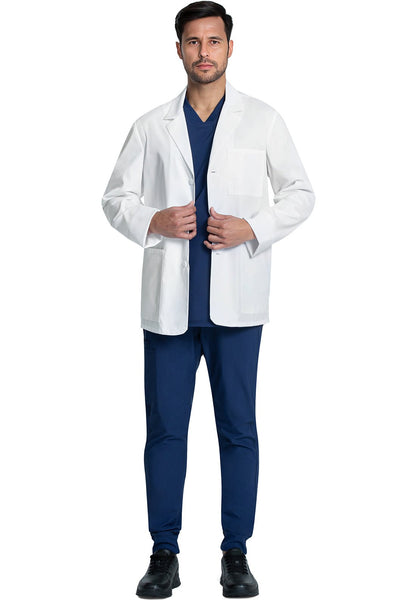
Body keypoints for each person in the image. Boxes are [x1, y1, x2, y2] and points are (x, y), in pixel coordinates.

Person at [101, 1, 315, 598]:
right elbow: (115, 198)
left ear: (229, 48)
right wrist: (154, 220)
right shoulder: (151, 125)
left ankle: (235, 552)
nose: (204, 52)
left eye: (213, 41)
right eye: (193, 42)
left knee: (238, 431)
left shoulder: (262, 120)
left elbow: (300, 193)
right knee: (165, 432)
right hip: (169, 308)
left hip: (237, 308)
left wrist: (253, 228)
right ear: (178, 50)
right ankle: (164, 552)